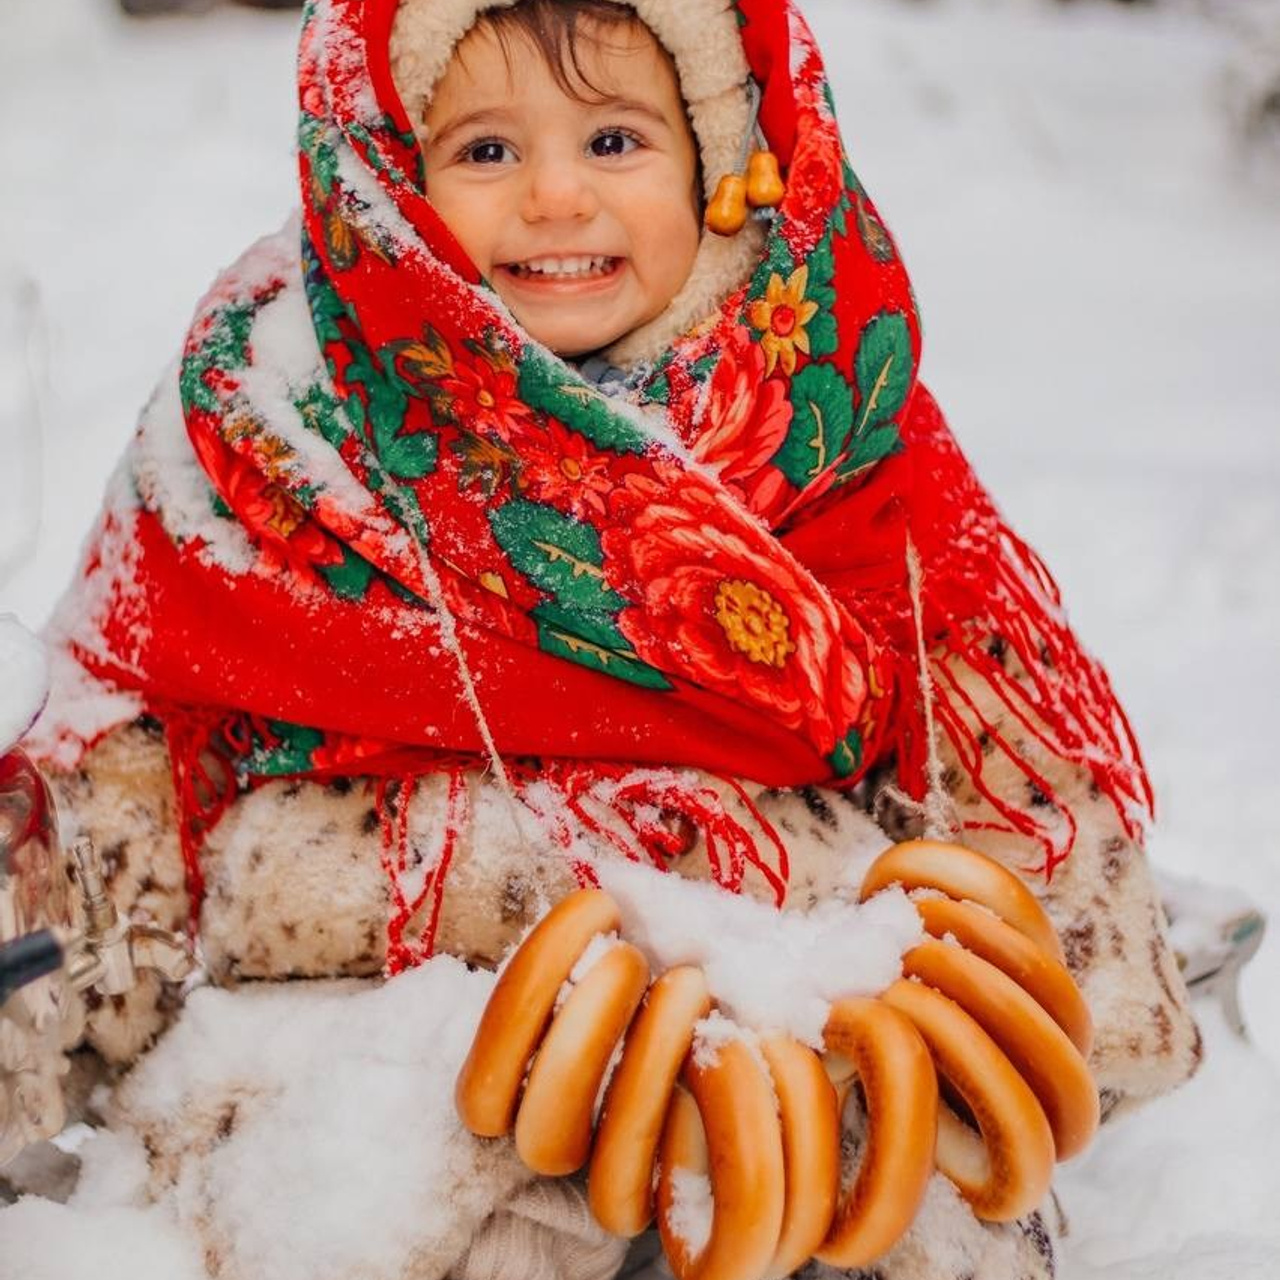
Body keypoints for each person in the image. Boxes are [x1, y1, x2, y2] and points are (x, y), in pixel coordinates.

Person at [27, 1, 1204, 1277]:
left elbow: (992, 732)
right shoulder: (268, 429)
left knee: (906, 1207)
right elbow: (116, 760)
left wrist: (1026, 1012)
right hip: (383, 1030)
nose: (551, 195)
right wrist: (44, 1010)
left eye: (614, 140)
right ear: (385, 178)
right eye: (483, 150)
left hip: (788, 1016)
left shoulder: (820, 407)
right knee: (335, 1203)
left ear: (716, 165)